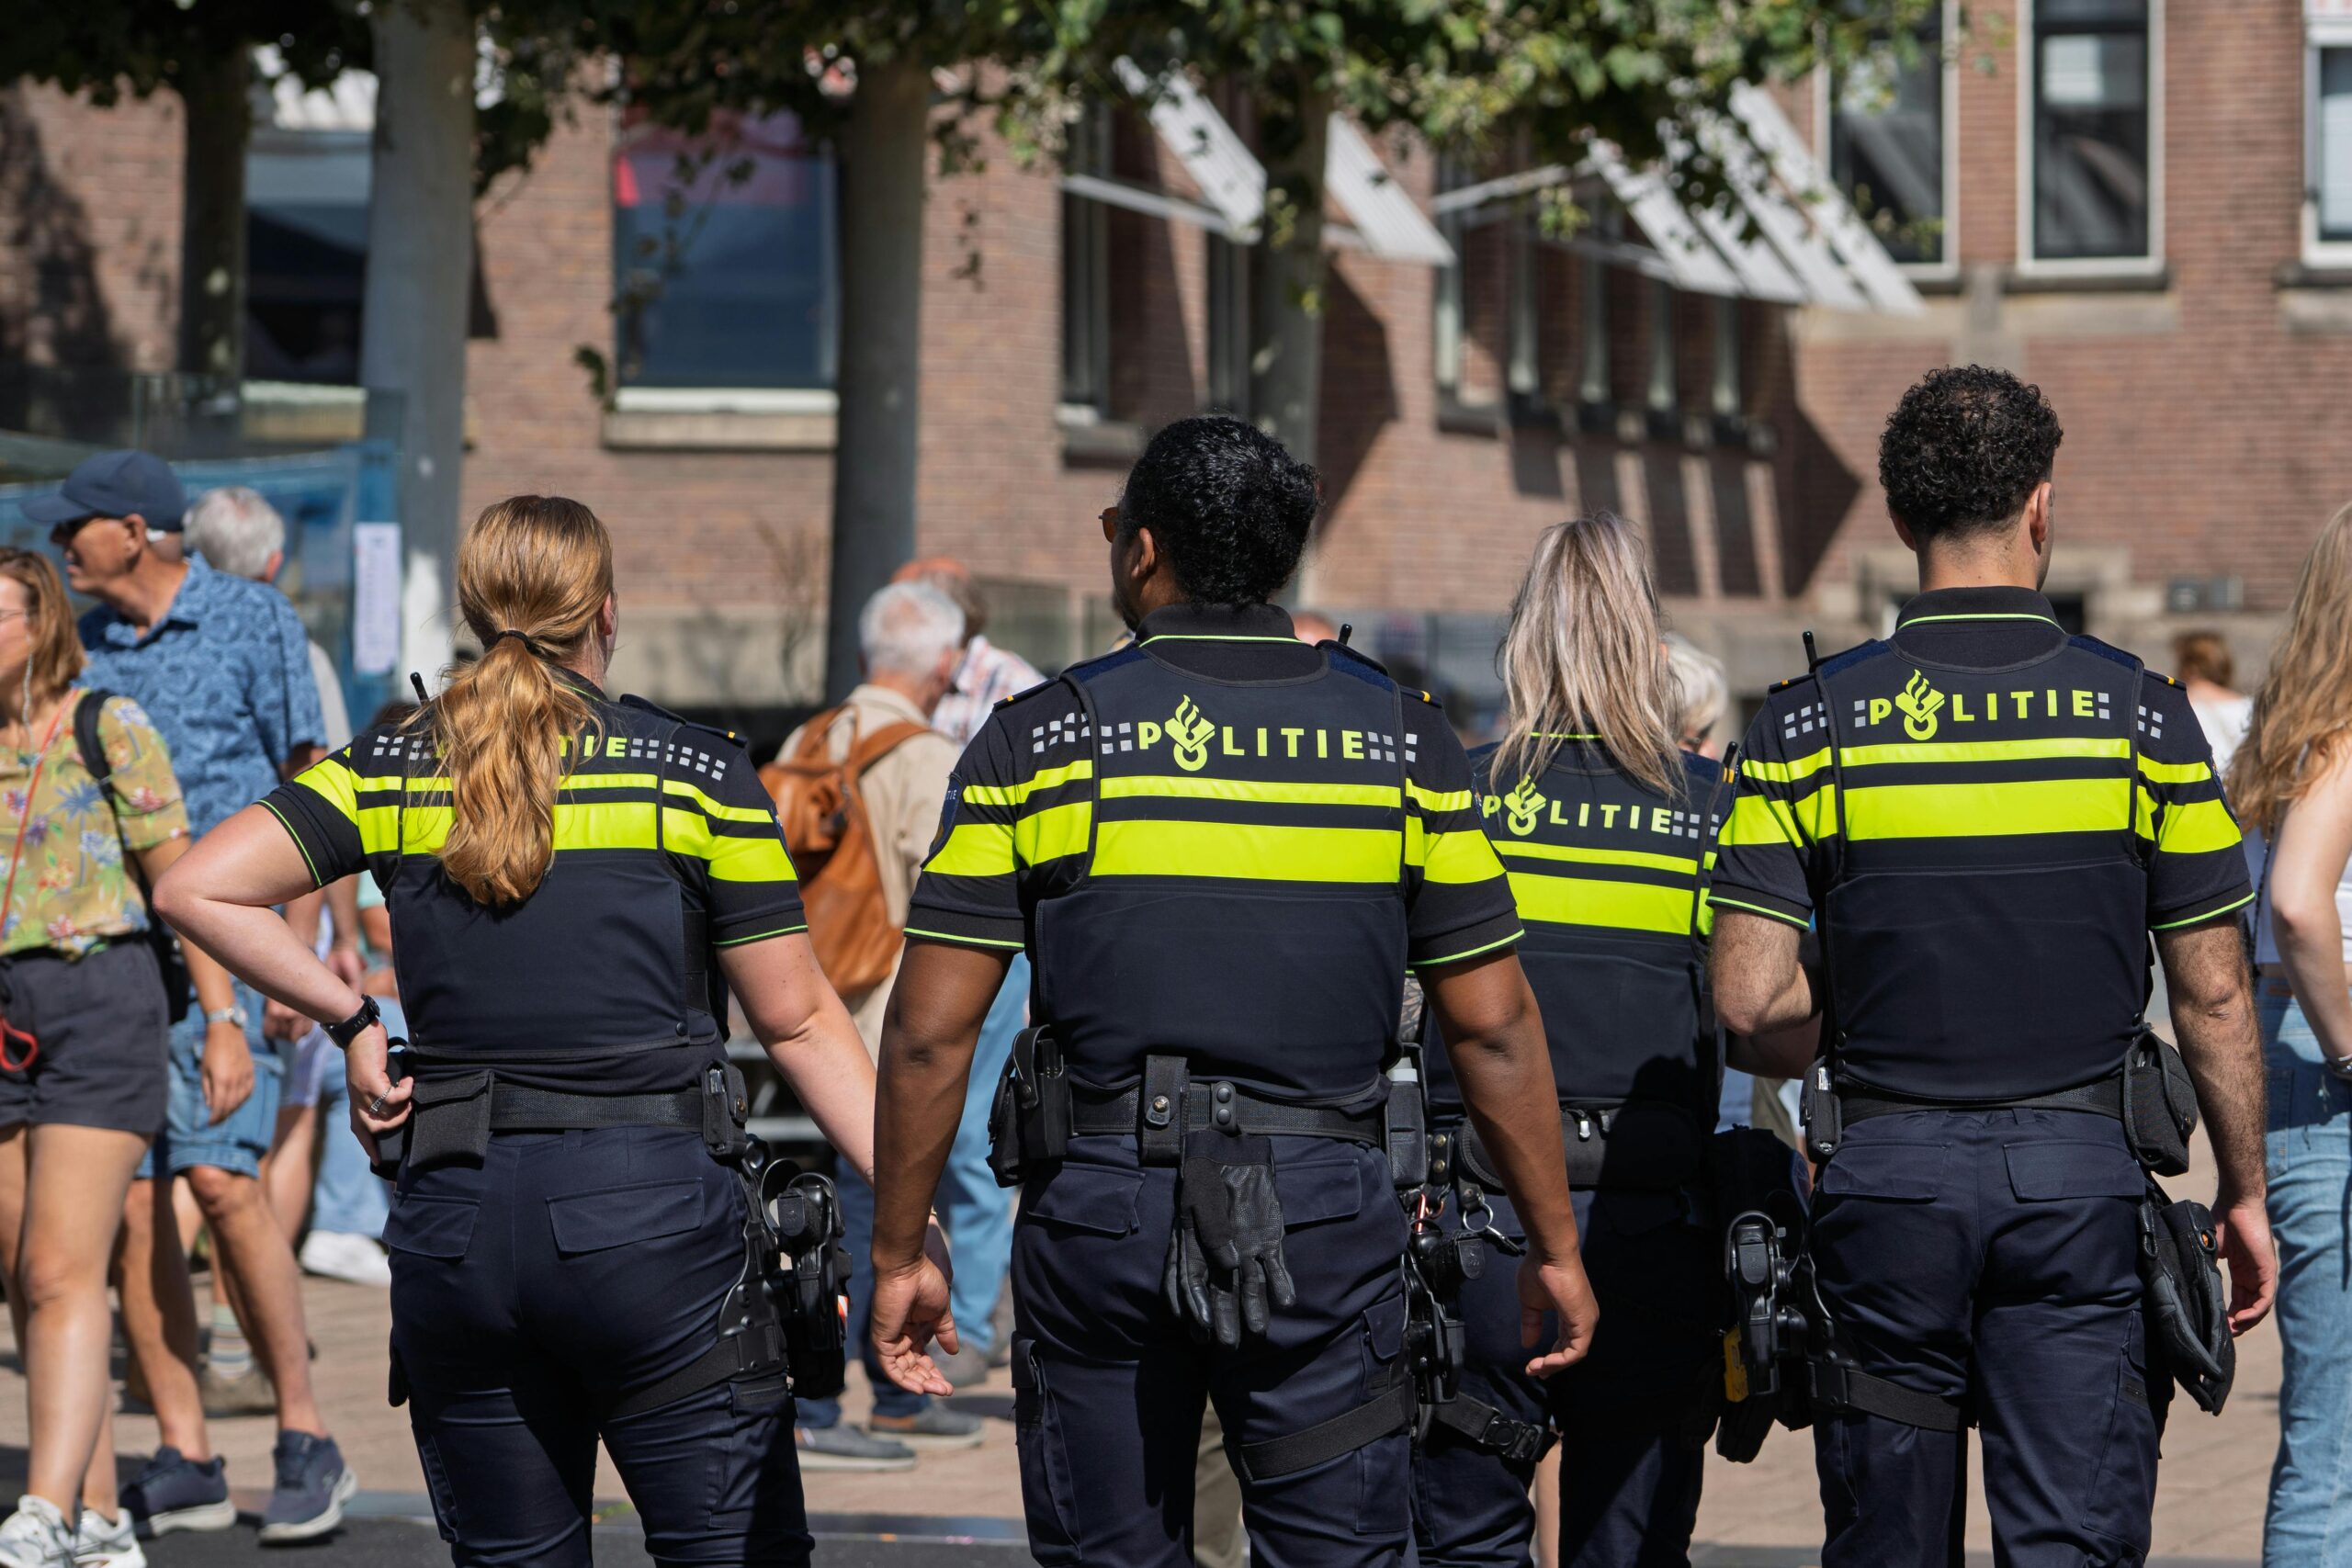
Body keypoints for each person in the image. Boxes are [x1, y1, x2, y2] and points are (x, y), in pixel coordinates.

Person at [865, 415, 1600, 1568]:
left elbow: (927, 1034)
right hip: (1326, 1218)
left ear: (1143, 549)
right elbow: (1494, 1026)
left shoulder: (1038, 743)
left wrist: (900, 1252)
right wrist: (1555, 1244)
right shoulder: (1403, 743)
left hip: (1103, 1212)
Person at [152, 494, 895, 1568]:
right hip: (654, 1224)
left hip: (456, 1225)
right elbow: (801, 1019)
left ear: (473, 612)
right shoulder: (691, 774)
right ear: (606, 611)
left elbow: (194, 888)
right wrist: (908, 1216)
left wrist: (352, 1017)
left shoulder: (393, 767)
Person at [1709, 366, 2275, 1565]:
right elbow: (2216, 990)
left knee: (1888, 1542)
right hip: (2077, 1184)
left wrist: (1846, 1017)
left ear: (1898, 517)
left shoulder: (1807, 723)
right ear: (2040, 507)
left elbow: (1748, 998)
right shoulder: (2142, 717)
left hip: (1885, 1184)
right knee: (2071, 1536)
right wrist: (2244, 1188)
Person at [1411, 514, 1812, 1568]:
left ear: (1521, 639)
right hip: (1652, 1231)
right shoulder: (1713, 811)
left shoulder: (1459, 796)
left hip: (1475, 1223)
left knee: (1459, 1542)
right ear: (1645, 639)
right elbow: (1773, 1028)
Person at [35, 448, 350, 1540]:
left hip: (246, 949)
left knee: (220, 1182)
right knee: (133, 1207)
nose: (61, 545)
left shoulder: (252, 619)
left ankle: (307, 1434)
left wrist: (301, 953)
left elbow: (313, 781)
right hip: (129, 965)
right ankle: (188, 1454)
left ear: (133, 530)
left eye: (75, 526)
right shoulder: (88, 646)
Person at [0, 550, 215, 1568]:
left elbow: (181, 882)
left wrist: (224, 1018)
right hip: (6, 1011)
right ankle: (96, 1515)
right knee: (24, 1274)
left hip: (100, 999)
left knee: (60, 1266)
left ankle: (45, 1507)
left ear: (41, 623)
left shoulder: (107, 725)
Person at [783, 581, 978, 1469]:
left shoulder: (807, 739)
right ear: (944, 666)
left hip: (793, 1012)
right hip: (879, 1021)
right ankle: (860, 1398)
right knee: (887, 1214)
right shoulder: (929, 756)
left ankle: (841, 1395)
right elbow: (950, 905)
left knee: (805, 1215)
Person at [182, 486, 372, 1361]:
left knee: (200, 1144)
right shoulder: (288, 641)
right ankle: (248, 1332)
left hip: (192, 916)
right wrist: (328, 948)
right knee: (275, 1127)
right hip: (266, 925)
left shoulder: (162, 642)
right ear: (271, 561)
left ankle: (224, 1329)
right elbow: (324, 803)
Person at [2228, 502, 2352, 1568]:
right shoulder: (2343, 738)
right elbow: (2301, 907)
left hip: (2293, 1053)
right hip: (2326, 1070)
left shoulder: (2288, 739)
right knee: (2335, 1439)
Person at [888, 559, 1045, 1385]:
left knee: (977, 1135)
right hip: (917, 929)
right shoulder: (914, 684)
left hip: (988, 937)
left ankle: (975, 1321)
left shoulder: (1011, 688)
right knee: (921, 1122)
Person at [2175, 630, 2253, 779]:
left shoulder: (2176, 705)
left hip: (2199, 789)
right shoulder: (2249, 706)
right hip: (2240, 788)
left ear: (2188, 666)